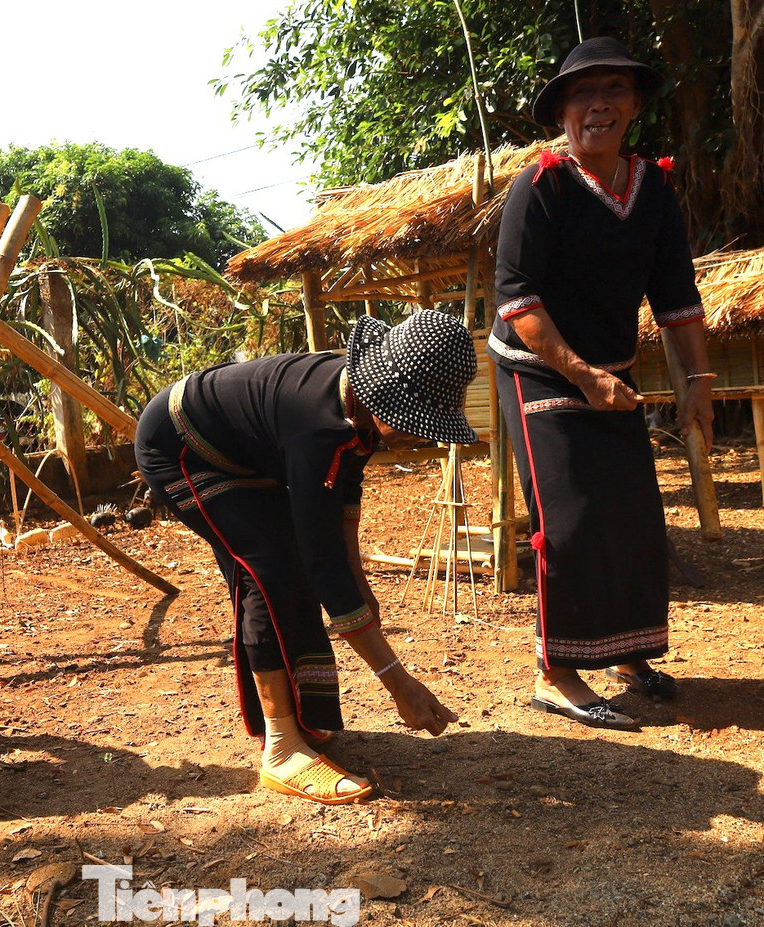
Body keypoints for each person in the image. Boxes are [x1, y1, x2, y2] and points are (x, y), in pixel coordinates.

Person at [135, 310, 474, 805]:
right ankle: (281, 748)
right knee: (267, 570)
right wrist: (396, 680)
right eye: (410, 421)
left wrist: (361, 585)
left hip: (252, 454)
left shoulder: (353, 409)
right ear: (378, 393)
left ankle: (302, 717)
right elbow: (322, 563)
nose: (418, 435)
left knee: (290, 568)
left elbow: (343, 501)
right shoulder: (314, 426)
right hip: (183, 448)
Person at [491, 36, 714, 730]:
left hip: (611, 373)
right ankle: (555, 670)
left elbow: (677, 298)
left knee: (634, 516)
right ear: (562, 112)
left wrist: (698, 381)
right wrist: (581, 375)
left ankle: (626, 653)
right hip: (537, 369)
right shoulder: (543, 186)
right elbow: (518, 300)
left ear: (635, 105)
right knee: (573, 518)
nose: (599, 105)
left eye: (614, 90)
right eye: (583, 94)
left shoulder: (654, 190)